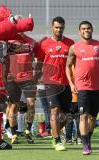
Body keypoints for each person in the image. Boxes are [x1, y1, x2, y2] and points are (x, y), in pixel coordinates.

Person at [66, 21, 99, 155]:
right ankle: (85, 145)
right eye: (83, 29)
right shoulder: (74, 47)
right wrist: (72, 84)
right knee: (83, 116)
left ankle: (87, 140)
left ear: (92, 29)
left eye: (88, 28)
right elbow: (68, 66)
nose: (86, 30)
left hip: (96, 87)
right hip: (81, 87)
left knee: (93, 118)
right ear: (79, 31)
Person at [37, 16, 74, 151]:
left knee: (66, 116)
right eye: (56, 27)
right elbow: (39, 61)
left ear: (64, 28)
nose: (59, 29)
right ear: (52, 28)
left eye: (61, 27)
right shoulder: (44, 43)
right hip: (50, 82)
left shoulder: (70, 43)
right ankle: (58, 140)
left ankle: (54, 133)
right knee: (55, 110)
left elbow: (74, 63)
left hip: (66, 83)